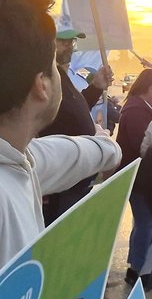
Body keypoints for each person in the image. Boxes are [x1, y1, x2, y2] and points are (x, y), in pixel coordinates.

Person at [0, 0, 122, 265]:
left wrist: (106, 146)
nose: (70, 49)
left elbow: (62, 155)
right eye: (53, 66)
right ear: (41, 86)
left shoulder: (19, 159)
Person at [39, 13, 114, 224]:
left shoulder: (59, 75)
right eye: (63, 41)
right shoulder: (41, 78)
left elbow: (72, 110)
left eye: (71, 41)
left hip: (73, 180)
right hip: (56, 185)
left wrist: (96, 87)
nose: (70, 46)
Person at [116, 69, 152, 281]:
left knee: (145, 223)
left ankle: (140, 267)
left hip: (144, 178)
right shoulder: (136, 112)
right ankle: (137, 270)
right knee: (146, 224)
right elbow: (143, 145)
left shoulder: (145, 108)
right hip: (140, 179)